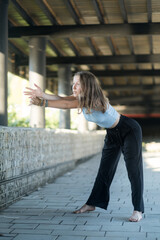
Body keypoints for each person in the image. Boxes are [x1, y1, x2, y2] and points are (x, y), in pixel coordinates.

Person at [24, 71, 144, 222]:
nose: (73, 86)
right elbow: (62, 98)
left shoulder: (94, 99)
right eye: (73, 83)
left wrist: (42, 102)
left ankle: (138, 210)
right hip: (112, 134)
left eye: (77, 83)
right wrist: (42, 95)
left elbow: (66, 104)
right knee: (104, 170)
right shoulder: (80, 99)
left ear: (87, 85)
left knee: (134, 170)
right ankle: (92, 203)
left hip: (129, 130)